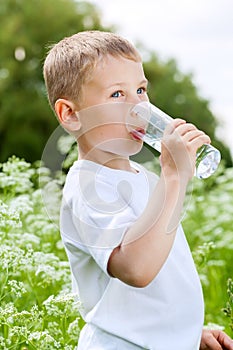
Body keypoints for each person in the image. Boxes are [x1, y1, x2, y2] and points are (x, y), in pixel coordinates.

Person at [43, 30, 233, 350]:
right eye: (118, 94)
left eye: (141, 89)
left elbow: (158, 279)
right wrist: (174, 178)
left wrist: (184, 337)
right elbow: (136, 270)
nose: (139, 107)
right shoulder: (87, 186)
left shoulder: (144, 178)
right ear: (71, 115)